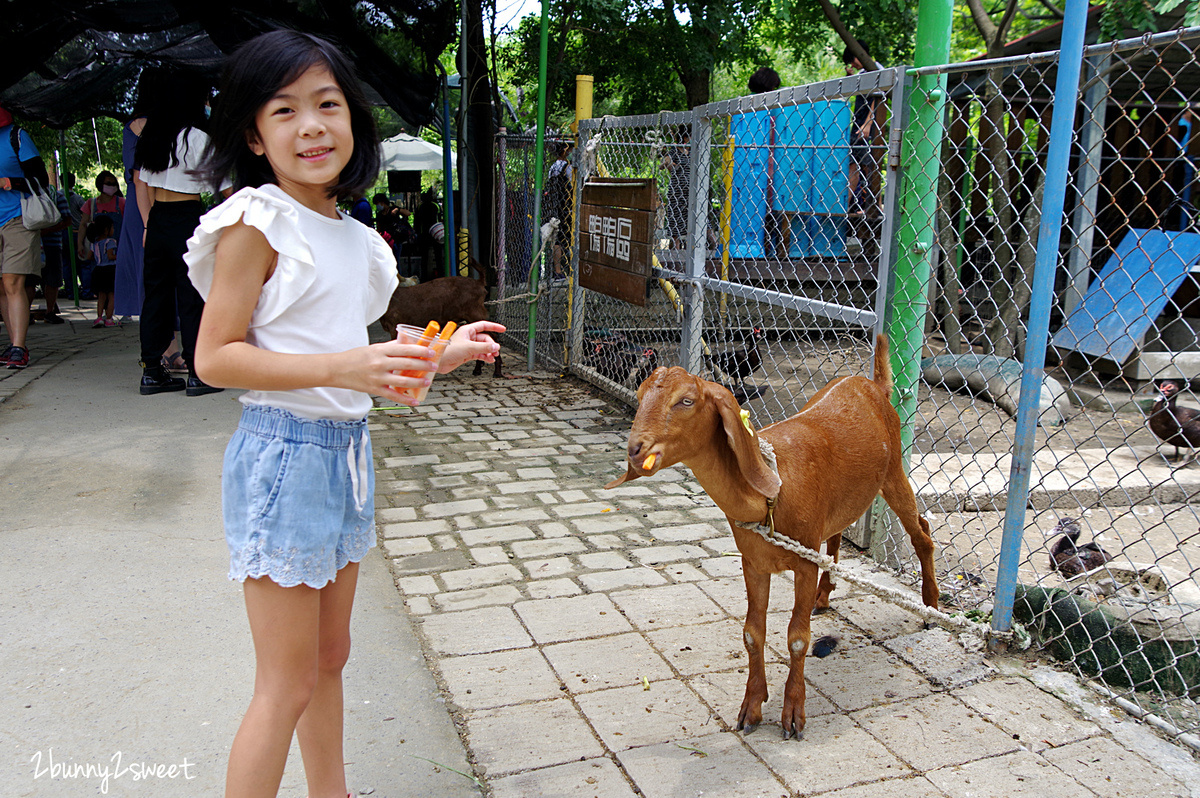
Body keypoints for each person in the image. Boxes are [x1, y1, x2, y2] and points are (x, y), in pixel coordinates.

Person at [185, 29, 503, 798]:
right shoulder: (254, 224)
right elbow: (214, 357)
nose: (311, 126)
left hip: (344, 456)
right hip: (284, 459)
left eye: (327, 104)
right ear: (255, 137)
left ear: (352, 119)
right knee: (284, 684)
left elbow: (359, 365)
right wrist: (346, 366)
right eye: (284, 110)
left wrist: (440, 354)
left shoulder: (357, 241)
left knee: (330, 660)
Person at [135, 68, 229, 396]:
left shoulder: (154, 135)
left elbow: (142, 182)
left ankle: (151, 371)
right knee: (191, 297)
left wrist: (148, 224)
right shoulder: (198, 137)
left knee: (156, 296)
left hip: (158, 218)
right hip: (187, 218)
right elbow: (226, 188)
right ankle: (197, 373)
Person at [0, 104, 49, 370]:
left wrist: (8, 182)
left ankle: (19, 347)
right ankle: (14, 345)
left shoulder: (15, 136)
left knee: (13, 281)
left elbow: (42, 180)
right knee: (2, 285)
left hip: (18, 217)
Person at [843, 40, 885, 215]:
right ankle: (845, 204)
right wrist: (849, 77)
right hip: (857, 124)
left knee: (870, 166)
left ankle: (876, 205)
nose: (852, 63)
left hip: (869, 127)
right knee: (852, 165)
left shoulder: (878, 70)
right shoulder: (862, 73)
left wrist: (869, 122)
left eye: (852, 59)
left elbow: (879, 98)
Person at [76, 170, 125, 298]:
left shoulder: (121, 203)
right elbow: (82, 224)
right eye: (108, 183)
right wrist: (79, 244)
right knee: (101, 287)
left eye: (114, 183)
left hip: (118, 250)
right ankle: (105, 311)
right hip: (98, 255)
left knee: (120, 281)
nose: (112, 186)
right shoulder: (91, 204)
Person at [38, 175, 71, 324]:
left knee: (53, 280)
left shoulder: (58, 197)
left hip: (51, 244)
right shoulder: (29, 197)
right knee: (32, 280)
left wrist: (47, 230)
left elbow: (67, 220)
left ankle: (49, 311)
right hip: (36, 245)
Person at [544, 142, 573, 276]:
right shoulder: (568, 168)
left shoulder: (553, 167)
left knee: (557, 239)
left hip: (555, 206)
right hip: (567, 207)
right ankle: (564, 270)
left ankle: (557, 270)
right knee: (566, 238)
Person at [662, 126, 691, 249]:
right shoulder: (674, 151)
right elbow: (664, 164)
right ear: (685, 138)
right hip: (677, 192)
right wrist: (670, 164)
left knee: (692, 221)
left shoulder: (694, 151)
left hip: (692, 192)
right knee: (676, 222)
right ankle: (675, 251)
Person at [86, 216, 118, 327]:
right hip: (110, 270)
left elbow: (89, 257)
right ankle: (109, 319)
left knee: (101, 296)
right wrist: (119, 257)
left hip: (98, 270)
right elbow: (110, 256)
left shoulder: (94, 244)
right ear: (106, 229)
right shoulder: (111, 241)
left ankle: (99, 317)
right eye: (112, 227)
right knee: (112, 295)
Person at [413, 188, 440, 281]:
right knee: (438, 255)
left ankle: (424, 277)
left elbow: (416, 222)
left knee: (424, 257)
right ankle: (440, 274)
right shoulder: (435, 206)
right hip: (435, 233)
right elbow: (440, 219)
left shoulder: (420, 207)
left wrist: (416, 233)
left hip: (424, 233)